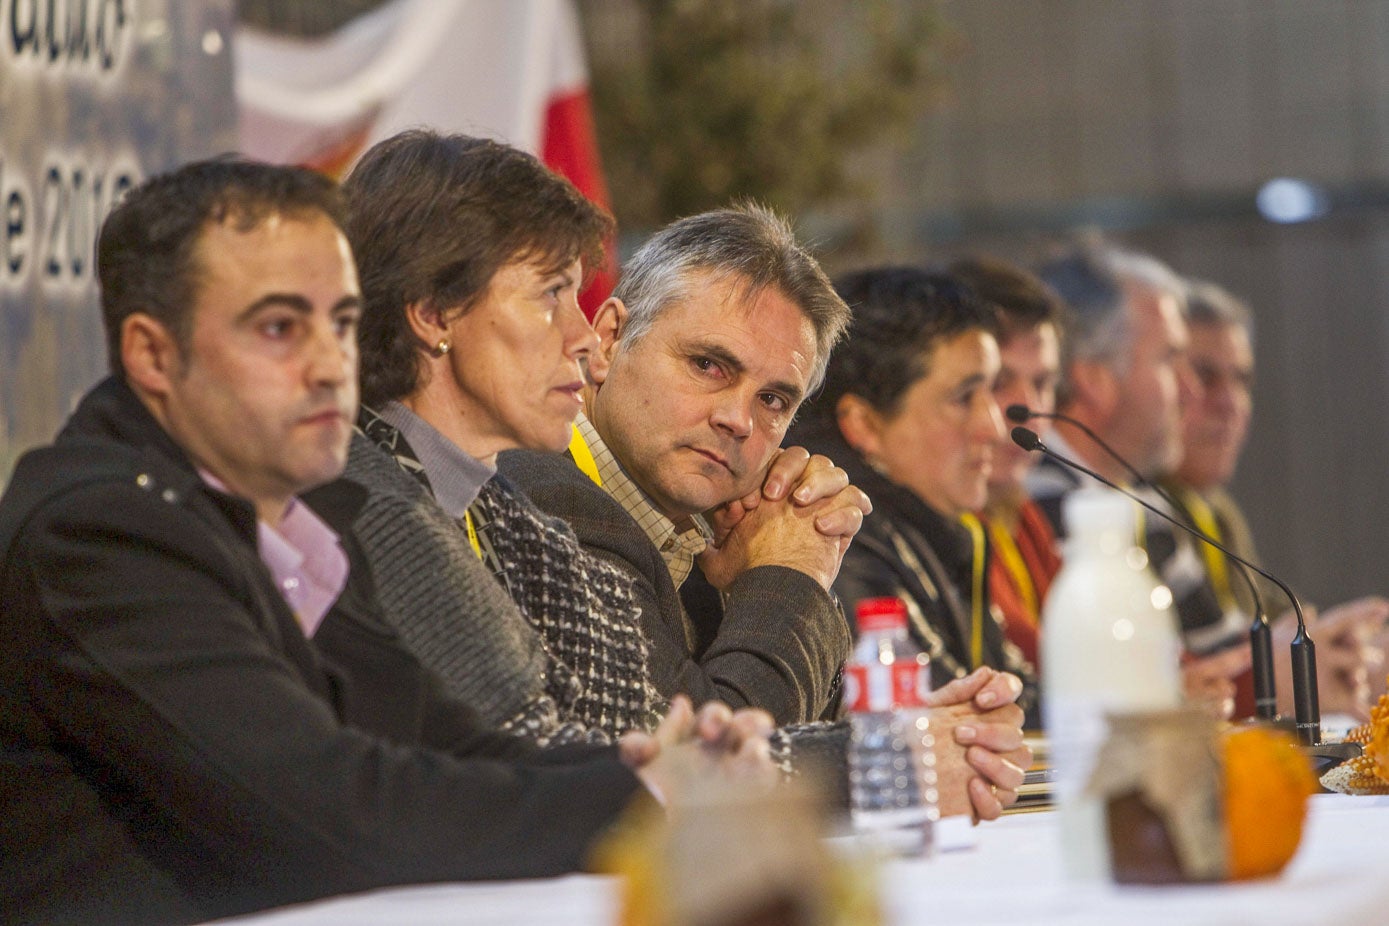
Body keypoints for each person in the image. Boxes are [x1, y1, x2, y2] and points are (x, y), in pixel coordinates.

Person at [0, 158, 769, 925]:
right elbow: (330, 810)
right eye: (278, 328)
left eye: (338, 322)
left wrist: (670, 774)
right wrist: (644, 797)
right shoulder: (102, 532)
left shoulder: (295, 518)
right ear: (153, 355)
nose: (330, 364)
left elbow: (454, 747)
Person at [501, 210, 1032, 818]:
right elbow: (702, 776)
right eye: (708, 365)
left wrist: (932, 731)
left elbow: (802, 728)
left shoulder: (704, 521)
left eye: (774, 399)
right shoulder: (541, 492)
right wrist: (787, 580)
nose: (738, 419)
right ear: (610, 339)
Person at [787, 266, 1040, 728]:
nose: (994, 427)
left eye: (992, 389)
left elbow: (1010, 689)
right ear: (864, 423)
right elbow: (948, 711)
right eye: (965, 397)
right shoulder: (840, 531)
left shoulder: (939, 526)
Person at [1164, 279, 1388, 715]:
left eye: (1242, 379)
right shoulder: (1140, 508)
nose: (1229, 403)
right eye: (1204, 376)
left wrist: (1354, 646)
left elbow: (1289, 623)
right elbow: (1229, 665)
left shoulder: (1216, 512)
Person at [949, 254, 1067, 672]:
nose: (1029, 408)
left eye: (1042, 383)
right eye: (1000, 382)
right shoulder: (951, 523)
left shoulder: (1024, 515)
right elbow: (1054, 668)